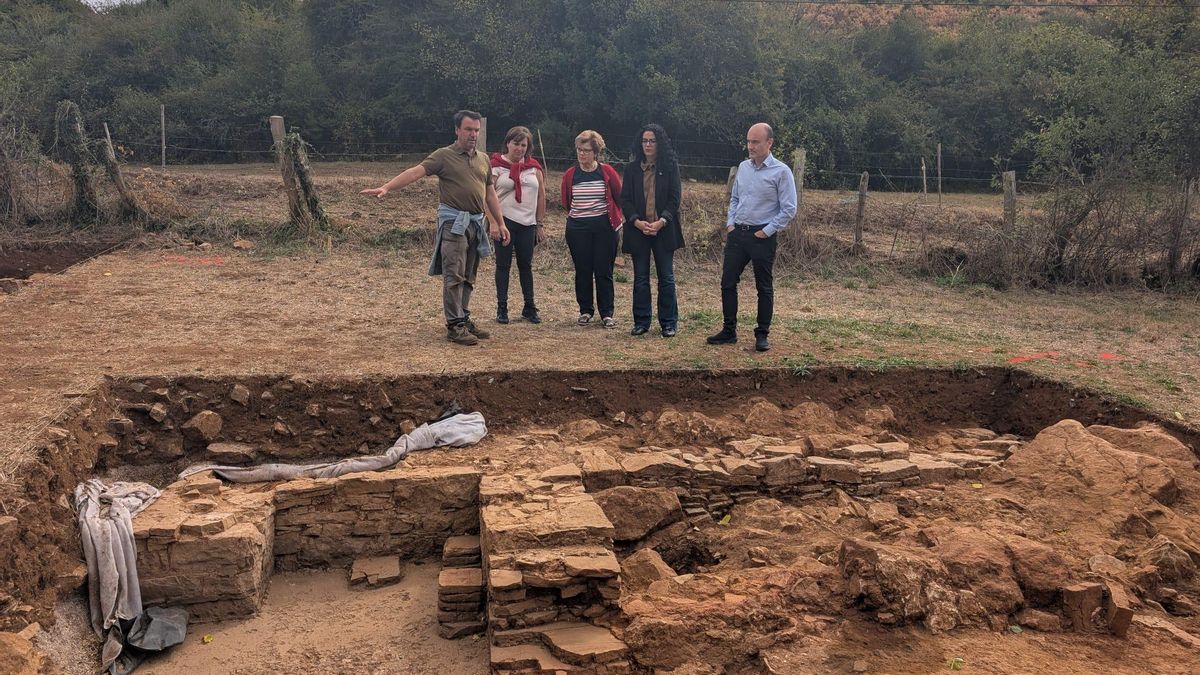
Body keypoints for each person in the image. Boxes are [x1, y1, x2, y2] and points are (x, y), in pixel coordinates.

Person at [361, 110, 509, 346]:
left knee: (469, 276)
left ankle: (464, 316)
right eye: (468, 129)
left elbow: (489, 192)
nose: (473, 134)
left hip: (475, 224)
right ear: (457, 130)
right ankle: (454, 326)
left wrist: (499, 222)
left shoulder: (483, 159)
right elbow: (415, 172)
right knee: (454, 275)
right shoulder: (443, 156)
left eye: (476, 130)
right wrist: (387, 187)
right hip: (454, 225)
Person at [707, 122, 796, 352]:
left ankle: (762, 334)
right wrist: (730, 224)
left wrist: (766, 231)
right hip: (738, 234)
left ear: (769, 142)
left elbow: (789, 208)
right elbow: (735, 198)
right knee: (727, 282)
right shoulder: (743, 167)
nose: (750, 146)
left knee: (763, 286)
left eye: (755, 142)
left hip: (762, 236)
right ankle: (729, 330)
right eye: (748, 141)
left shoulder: (781, 171)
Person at [619, 123, 682, 337]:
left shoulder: (671, 167)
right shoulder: (631, 169)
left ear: (659, 143)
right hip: (638, 230)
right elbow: (625, 199)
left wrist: (661, 221)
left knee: (666, 277)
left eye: (652, 141)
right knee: (640, 278)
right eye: (644, 140)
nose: (647, 144)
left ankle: (668, 323)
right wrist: (636, 222)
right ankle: (642, 322)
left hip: (663, 229)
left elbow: (675, 199)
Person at [561, 130, 623, 328]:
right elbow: (566, 201)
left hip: (605, 229)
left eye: (586, 150)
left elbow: (619, 196)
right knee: (583, 270)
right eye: (579, 150)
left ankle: (607, 313)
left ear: (595, 152)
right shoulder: (571, 174)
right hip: (578, 229)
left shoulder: (606, 171)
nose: (582, 154)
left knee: (604, 270)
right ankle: (585, 310)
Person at [490, 126, 546, 324]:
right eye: (516, 143)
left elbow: (541, 196)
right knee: (503, 266)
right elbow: (485, 196)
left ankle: (529, 307)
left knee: (526, 266)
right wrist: (494, 223)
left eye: (524, 145)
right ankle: (502, 308)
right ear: (507, 143)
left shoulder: (534, 168)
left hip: (527, 223)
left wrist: (539, 224)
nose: (519, 148)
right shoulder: (495, 166)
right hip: (505, 222)